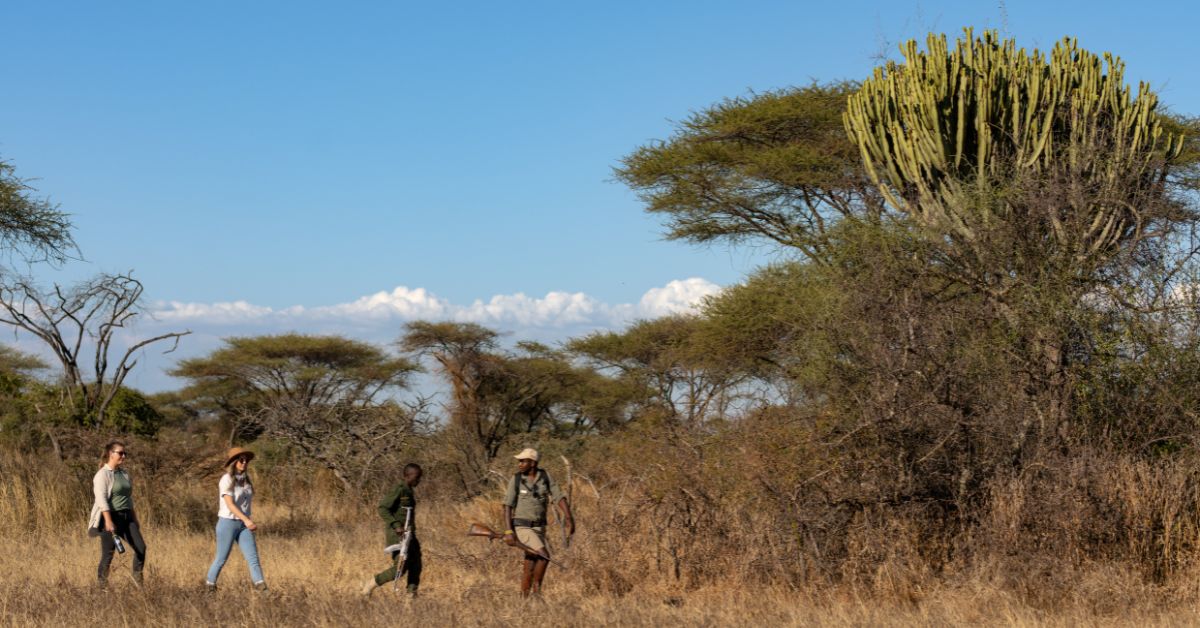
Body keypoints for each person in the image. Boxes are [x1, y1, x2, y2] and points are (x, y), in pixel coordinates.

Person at [502, 448, 574, 597]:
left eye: (523, 461)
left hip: (540, 528)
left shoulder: (545, 476)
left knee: (531, 562)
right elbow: (507, 506)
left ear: (533, 463)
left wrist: (569, 517)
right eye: (519, 461)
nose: (520, 464)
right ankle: (537, 594)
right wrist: (509, 532)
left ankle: (523, 598)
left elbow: (558, 496)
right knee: (543, 555)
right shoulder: (515, 479)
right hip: (522, 526)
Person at [205, 447, 267, 592]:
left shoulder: (246, 480)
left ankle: (263, 590)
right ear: (234, 462)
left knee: (253, 558)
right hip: (227, 523)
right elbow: (230, 505)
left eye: (246, 460)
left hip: (243, 524)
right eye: (241, 460)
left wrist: (246, 520)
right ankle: (209, 587)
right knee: (221, 559)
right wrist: (247, 520)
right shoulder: (226, 479)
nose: (244, 462)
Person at [88, 440, 147, 589]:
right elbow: (101, 500)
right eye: (120, 453)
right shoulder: (102, 475)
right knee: (108, 554)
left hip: (127, 517)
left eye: (124, 453)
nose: (123, 456)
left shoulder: (124, 473)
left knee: (141, 548)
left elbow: (128, 497)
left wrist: (134, 517)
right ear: (110, 454)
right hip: (110, 517)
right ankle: (102, 587)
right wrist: (108, 521)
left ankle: (138, 584)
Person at [361, 463, 423, 598]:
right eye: (417, 477)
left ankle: (411, 596)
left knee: (416, 564)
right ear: (408, 476)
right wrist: (396, 525)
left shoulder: (409, 490)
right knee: (399, 569)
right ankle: (370, 585)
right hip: (398, 535)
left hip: (410, 534)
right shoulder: (399, 489)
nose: (419, 480)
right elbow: (382, 508)